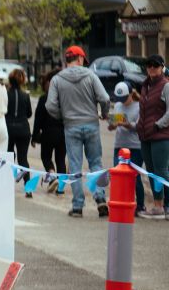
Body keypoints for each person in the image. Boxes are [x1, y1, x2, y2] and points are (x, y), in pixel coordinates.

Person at [46, 45, 110, 218]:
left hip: (71, 126)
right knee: (95, 163)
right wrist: (104, 113)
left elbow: (50, 105)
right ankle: (100, 198)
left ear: (66, 60)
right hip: (91, 124)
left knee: (74, 166)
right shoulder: (91, 75)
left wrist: (63, 116)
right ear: (80, 59)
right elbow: (104, 98)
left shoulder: (57, 80)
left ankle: (77, 206)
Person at [136, 54, 169, 220]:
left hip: (161, 135)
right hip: (145, 136)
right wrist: (137, 123)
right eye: (149, 65)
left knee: (161, 171)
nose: (151, 68)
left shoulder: (166, 86)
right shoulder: (145, 86)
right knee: (151, 171)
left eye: (155, 65)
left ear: (162, 67)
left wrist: (158, 124)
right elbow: (143, 110)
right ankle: (159, 206)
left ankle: (161, 206)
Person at [108, 82, 146, 216]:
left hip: (134, 146)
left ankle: (140, 206)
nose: (122, 102)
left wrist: (126, 124)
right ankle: (121, 202)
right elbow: (111, 123)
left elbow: (139, 126)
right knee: (117, 176)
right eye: (120, 99)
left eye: (124, 99)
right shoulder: (118, 105)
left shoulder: (139, 106)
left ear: (131, 94)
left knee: (134, 177)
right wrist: (112, 125)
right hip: (119, 145)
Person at [31, 69, 66, 194]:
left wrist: (34, 136)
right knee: (61, 160)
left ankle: (51, 175)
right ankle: (61, 188)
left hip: (47, 133)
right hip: (63, 133)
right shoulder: (65, 98)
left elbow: (38, 120)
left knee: (46, 157)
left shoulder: (43, 98)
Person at [5, 69, 33, 195]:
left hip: (9, 128)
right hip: (23, 129)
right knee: (23, 159)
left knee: (9, 156)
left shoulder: (6, 94)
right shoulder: (25, 95)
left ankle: (7, 184)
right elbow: (29, 114)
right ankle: (28, 188)